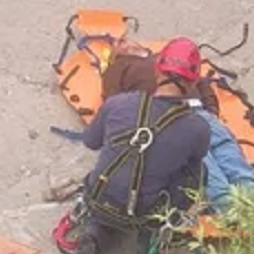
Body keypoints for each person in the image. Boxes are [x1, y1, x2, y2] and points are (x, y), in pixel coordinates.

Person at [75, 38, 212, 254]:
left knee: (118, 157)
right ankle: (150, 235)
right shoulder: (199, 128)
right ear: (192, 82)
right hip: (143, 213)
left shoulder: (118, 103)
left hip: (99, 197)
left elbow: (91, 141)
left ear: (157, 70)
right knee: (198, 171)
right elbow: (191, 168)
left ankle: (95, 232)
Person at [100, 38, 254, 214]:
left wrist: (211, 111)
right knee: (203, 161)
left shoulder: (167, 59)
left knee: (225, 149)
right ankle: (229, 208)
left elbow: (201, 83)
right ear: (115, 56)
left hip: (199, 113)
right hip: (169, 117)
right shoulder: (118, 69)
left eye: (125, 38)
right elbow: (116, 103)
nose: (124, 42)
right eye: (118, 44)